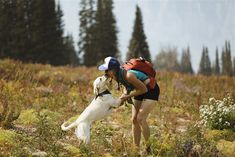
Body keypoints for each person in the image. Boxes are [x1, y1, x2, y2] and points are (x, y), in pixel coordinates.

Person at [98, 56, 160, 152]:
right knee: (134, 119)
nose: (105, 73)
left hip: (151, 90)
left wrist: (127, 97)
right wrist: (114, 104)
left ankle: (148, 149)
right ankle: (136, 150)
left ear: (113, 71)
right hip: (140, 89)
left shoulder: (128, 75)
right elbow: (127, 91)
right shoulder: (120, 76)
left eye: (106, 70)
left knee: (140, 118)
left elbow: (144, 89)